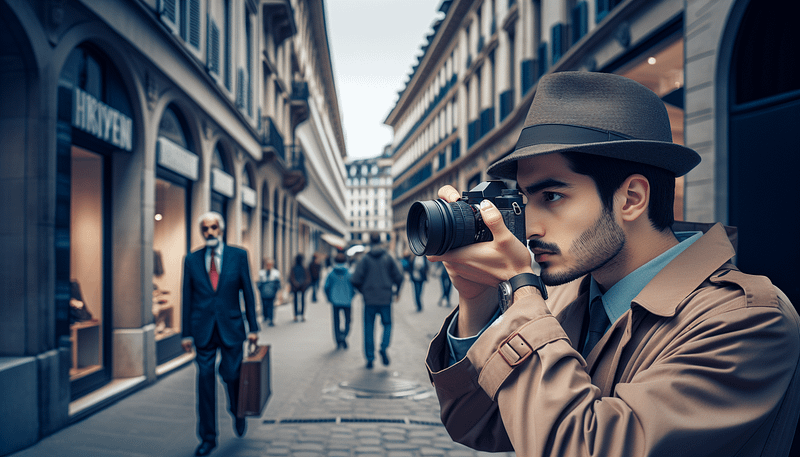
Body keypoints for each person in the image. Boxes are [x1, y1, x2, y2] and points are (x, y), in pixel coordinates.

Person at [424, 71, 800, 456]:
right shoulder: (566, 297)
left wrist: (521, 291)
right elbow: (480, 426)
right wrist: (476, 298)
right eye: (524, 200)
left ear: (632, 198)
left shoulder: (748, 319)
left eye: (551, 196)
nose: (530, 226)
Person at [181, 212, 259, 456]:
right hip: (203, 330)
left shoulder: (239, 255)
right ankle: (207, 438)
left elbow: (248, 291)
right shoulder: (191, 259)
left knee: (233, 375)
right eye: (205, 229)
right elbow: (187, 297)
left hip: (232, 327)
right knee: (204, 380)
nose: (210, 233)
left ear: (221, 229)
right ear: (201, 232)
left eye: (214, 227)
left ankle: (237, 409)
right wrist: (186, 333)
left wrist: (254, 327)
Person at [351, 233, 404, 369]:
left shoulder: (365, 259)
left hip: (369, 300)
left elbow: (355, 279)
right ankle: (383, 346)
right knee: (387, 324)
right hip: (385, 298)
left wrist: (364, 291)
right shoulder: (388, 257)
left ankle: (370, 358)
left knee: (368, 328)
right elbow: (399, 276)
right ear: (380, 241)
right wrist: (397, 292)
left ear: (369, 241)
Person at [324, 252, 355, 349]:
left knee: (336, 321)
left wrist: (329, 297)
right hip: (347, 301)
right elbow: (354, 287)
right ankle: (344, 336)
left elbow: (326, 287)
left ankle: (338, 339)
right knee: (348, 320)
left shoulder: (331, 273)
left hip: (335, 301)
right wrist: (351, 296)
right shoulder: (350, 273)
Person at [256, 258, 281, 326]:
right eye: (267, 264)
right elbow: (259, 283)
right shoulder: (261, 273)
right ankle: (265, 316)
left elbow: (278, 284)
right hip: (264, 292)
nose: (268, 266)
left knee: (271, 306)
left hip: (272, 292)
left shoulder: (275, 273)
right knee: (264, 305)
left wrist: (277, 291)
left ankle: (271, 319)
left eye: (270, 265)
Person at [289, 254, 310, 322]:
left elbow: (291, 277)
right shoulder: (304, 268)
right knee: (302, 300)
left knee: (296, 301)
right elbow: (307, 277)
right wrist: (303, 283)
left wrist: (295, 283)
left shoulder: (294, 268)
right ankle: (302, 315)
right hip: (302, 286)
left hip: (297, 286)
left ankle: (296, 315)